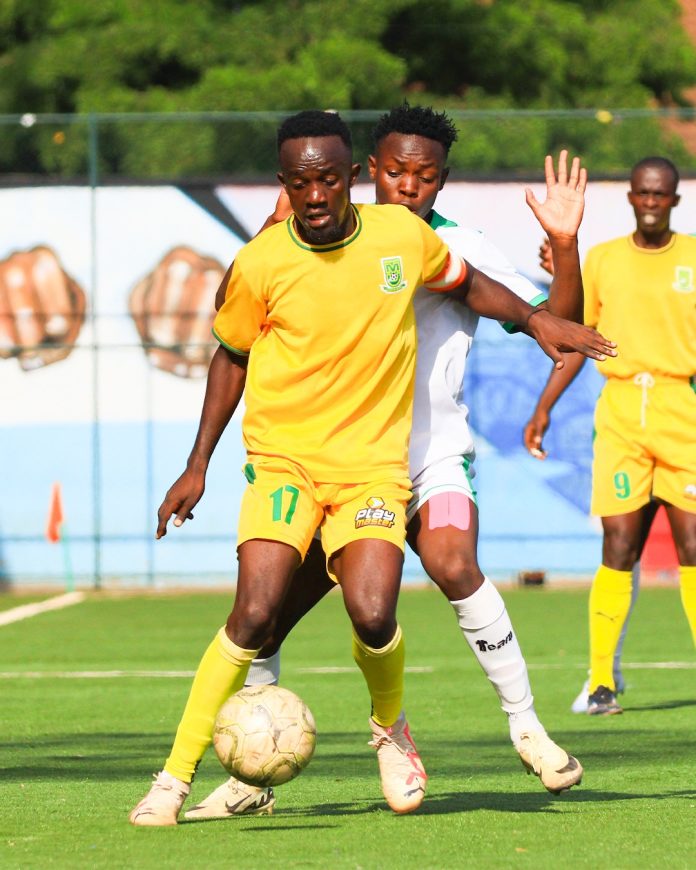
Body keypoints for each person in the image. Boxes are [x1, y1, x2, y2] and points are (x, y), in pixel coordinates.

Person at [129, 109, 615, 826]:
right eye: (395, 171)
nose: (408, 185)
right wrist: (198, 460)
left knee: (445, 568)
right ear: (370, 171)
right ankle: (244, 771)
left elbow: (537, 310)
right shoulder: (297, 241)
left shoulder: (445, 244)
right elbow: (236, 338)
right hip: (317, 461)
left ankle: (523, 726)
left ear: (438, 181)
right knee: (261, 620)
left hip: (422, 461)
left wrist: (564, 252)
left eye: (424, 175)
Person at [524, 156, 696, 716]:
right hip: (621, 412)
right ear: (631, 198)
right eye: (642, 193)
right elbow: (579, 339)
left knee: (694, 546)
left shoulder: (693, 258)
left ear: (673, 201)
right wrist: (544, 406)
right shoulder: (602, 260)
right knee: (619, 546)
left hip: (679, 409)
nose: (651, 203)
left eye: (661, 195)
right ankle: (601, 682)